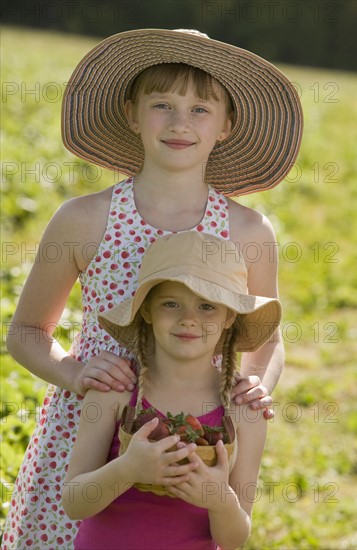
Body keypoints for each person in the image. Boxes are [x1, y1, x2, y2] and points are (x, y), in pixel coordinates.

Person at [3, 29, 302, 548]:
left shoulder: (248, 230)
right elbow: (26, 331)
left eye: (200, 109)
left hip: (192, 426)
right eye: (161, 104)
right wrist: (73, 372)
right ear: (131, 114)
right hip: (89, 423)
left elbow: (267, 336)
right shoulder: (84, 218)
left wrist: (255, 385)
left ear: (227, 124)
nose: (180, 122)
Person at [62, 231, 282, 549]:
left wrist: (219, 500)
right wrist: (127, 470)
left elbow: (233, 539)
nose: (189, 319)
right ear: (147, 311)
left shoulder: (243, 410)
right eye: (171, 303)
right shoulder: (115, 393)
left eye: (207, 306)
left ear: (229, 318)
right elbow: (74, 503)